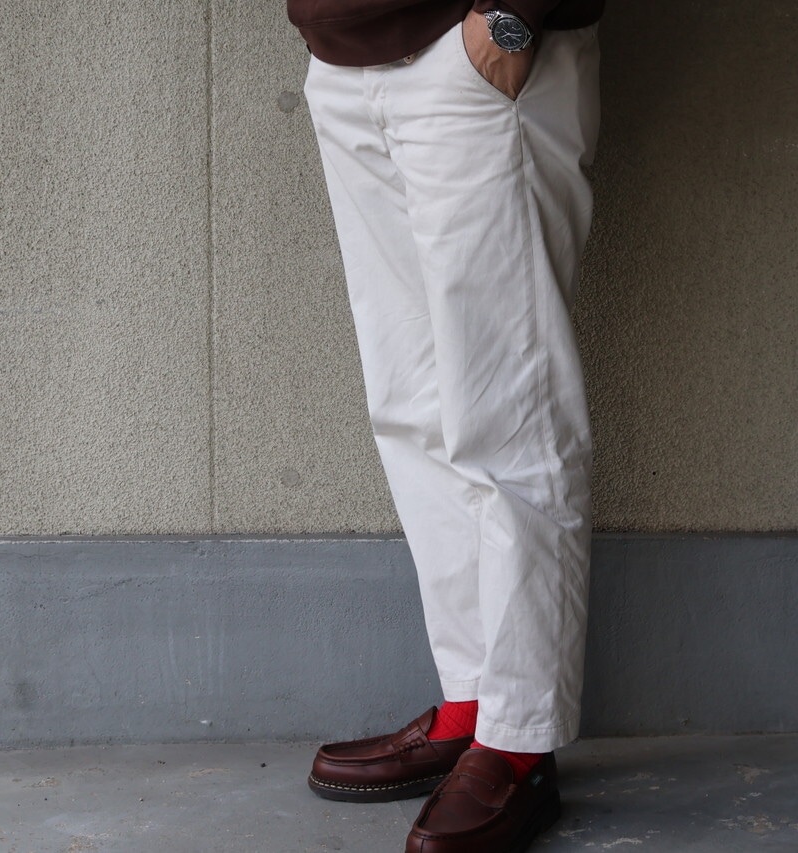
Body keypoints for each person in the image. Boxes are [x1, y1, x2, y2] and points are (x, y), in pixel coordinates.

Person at [287, 1, 604, 850]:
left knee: (511, 415)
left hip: (472, 55)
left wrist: (512, 17)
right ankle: (472, 702)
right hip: (345, 57)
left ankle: (519, 740)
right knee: (413, 406)